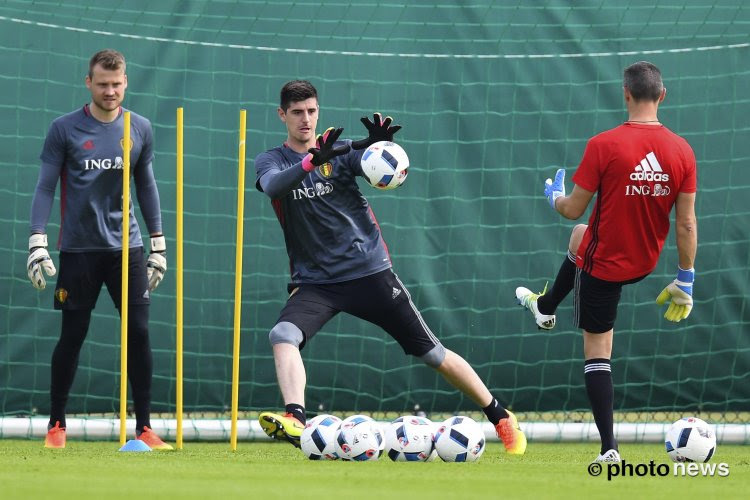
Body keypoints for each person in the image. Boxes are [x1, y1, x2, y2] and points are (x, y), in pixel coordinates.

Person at [254, 80, 526, 455]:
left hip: (369, 272)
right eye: (297, 112)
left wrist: (374, 147)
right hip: (317, 282)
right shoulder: (272, 160)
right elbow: (273, 187)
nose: (306, 119)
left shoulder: (338, 152)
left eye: (312, 111)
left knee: (432, 353)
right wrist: (310, 161)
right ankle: (296, 418)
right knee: (283, 334)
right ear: (282, 115)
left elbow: (361, 156)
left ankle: (501, 417)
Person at [515, 61, 697, 462]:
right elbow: (685, 222)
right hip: (645, 261)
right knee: (580, 236)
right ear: (662, 96)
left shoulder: (604, 144)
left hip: (604, 266)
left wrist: (554, 197)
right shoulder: (682, 150)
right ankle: (545, 308)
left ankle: (609, 449)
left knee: (598, 355)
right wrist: (685, 280)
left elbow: (572, 209)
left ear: (626, 94)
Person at [27, 49, 171, 450]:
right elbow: (44, 186)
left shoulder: (139, 127)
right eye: (102, 84)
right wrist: (37, 238)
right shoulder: (64, 128)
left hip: (129, 248)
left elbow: (147, 186)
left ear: (125, 82)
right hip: (78, 251)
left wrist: (158, 244)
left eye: (116, 84)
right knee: (72, 336)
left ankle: (144, 427)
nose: (110, 91)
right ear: (87, 82)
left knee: (139, 333)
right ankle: (57, 425)